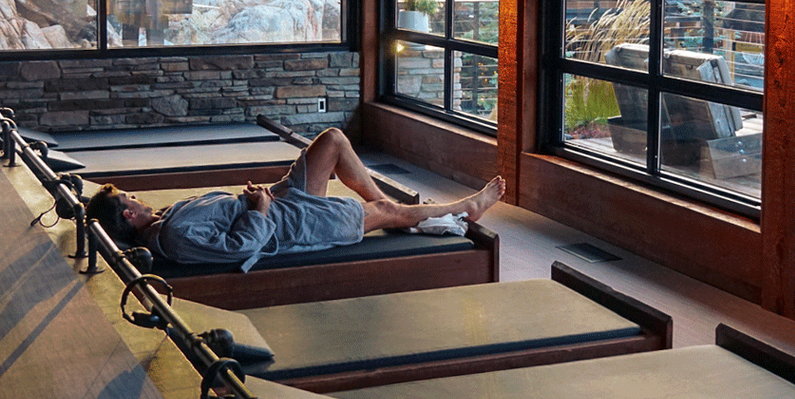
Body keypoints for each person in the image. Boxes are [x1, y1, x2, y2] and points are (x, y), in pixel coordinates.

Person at [86, 127, 504, 272]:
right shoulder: (173, 237)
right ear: (128, 214)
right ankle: (464, 208)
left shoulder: (165, 220)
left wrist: (260, 199)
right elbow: (241, 249)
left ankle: (392, 215)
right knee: (385, 211)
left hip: (279, 201)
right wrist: (261, 210)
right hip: (290, 226)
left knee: (333, 142)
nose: (139, 198)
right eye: (132, 198)